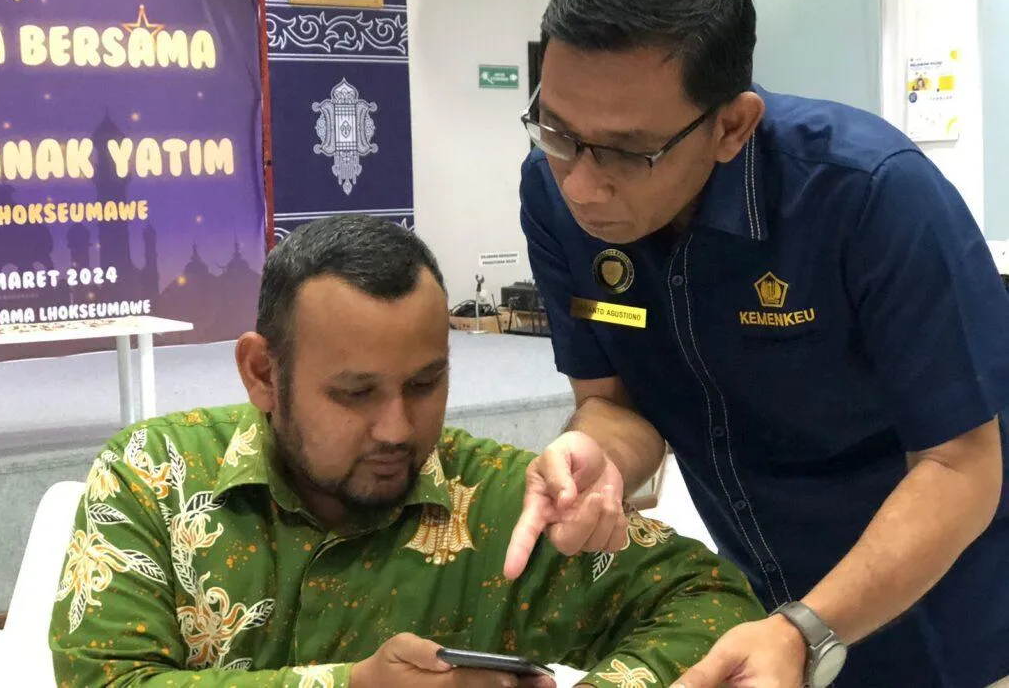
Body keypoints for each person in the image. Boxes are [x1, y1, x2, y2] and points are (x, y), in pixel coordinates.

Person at [505, 0, 1009, 688]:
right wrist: (598, 454)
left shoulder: (868, 195)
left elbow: (960, 465)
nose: (581, 184)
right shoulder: (551, 194)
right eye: (556, 130)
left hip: (954, 611)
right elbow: (615, 404)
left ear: (732, 126)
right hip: (766, 611)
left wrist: (808, 629)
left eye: (628, 152)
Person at [49, 215, 765, 688]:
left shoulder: (500, 508)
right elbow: (102, 678)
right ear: (263, 373)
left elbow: (716, 605)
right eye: (354, 393)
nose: (397, 428)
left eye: (425, 383)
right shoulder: (154, 478)